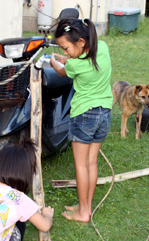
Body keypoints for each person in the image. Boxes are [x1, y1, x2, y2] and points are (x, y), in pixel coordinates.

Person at [50, 17, 113, 223]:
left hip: (84, 115)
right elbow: (80, 59)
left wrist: (55, 61)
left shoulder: (74, 65)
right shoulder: (101, 47)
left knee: (81, 165)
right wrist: (69, 57)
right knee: (92, 162)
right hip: (104, 113)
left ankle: (83, 212)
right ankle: (86, 205)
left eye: (66, 48)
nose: (65, 53)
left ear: (81, 43)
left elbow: (61, 71)